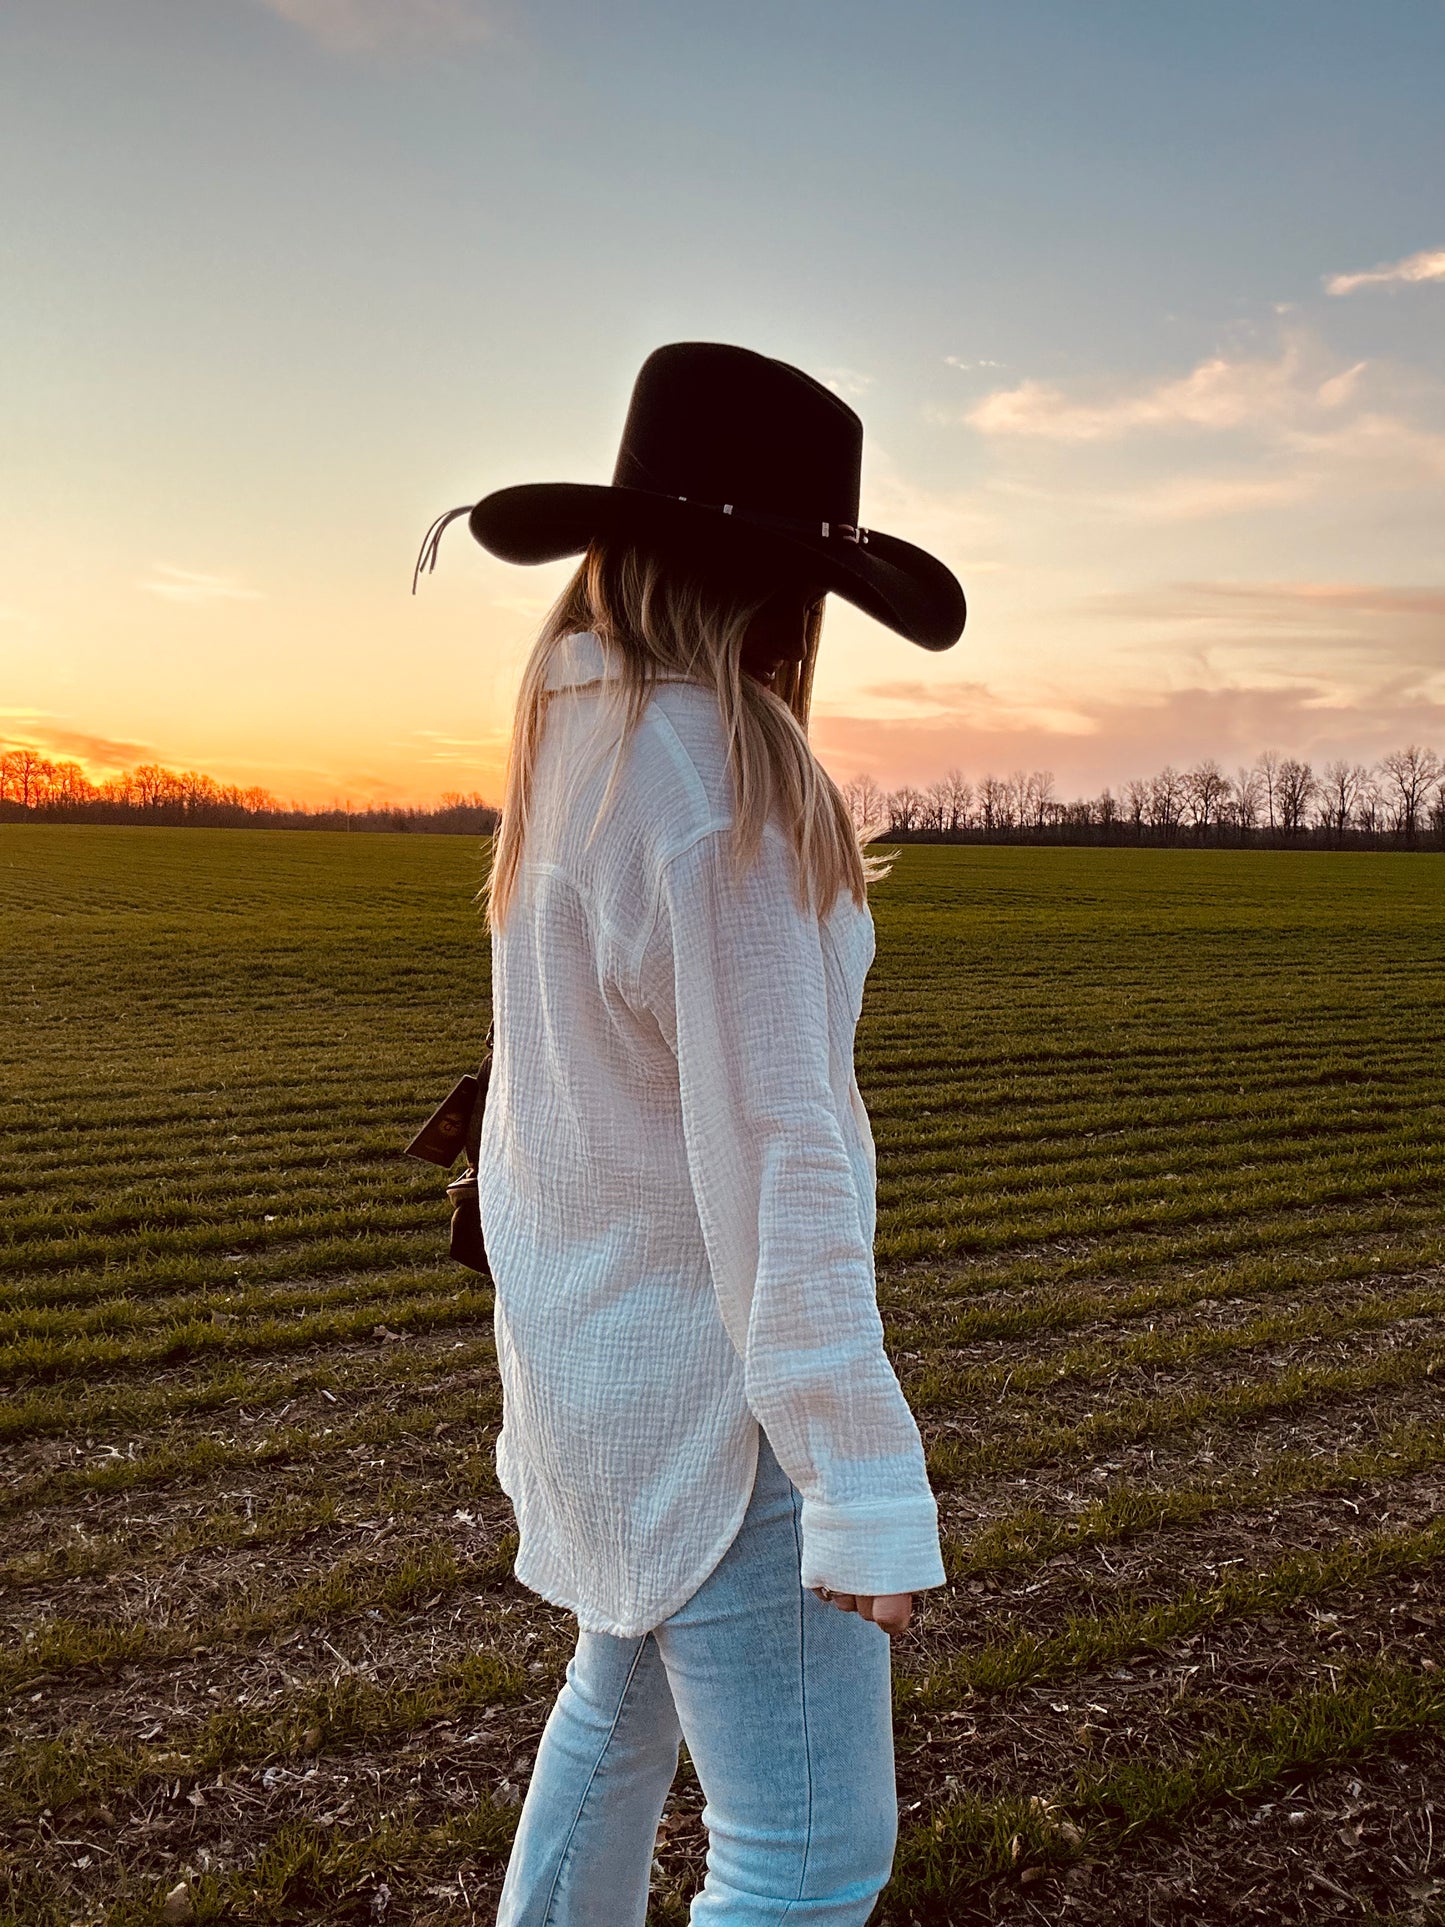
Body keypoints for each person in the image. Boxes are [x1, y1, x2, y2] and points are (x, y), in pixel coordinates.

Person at [415, 341, 967, 1926]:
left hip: (603, 1371)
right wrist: (854, 1471)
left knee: (615, 1709)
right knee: (803, 1860)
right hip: (727, 1414)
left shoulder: (574, 749)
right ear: (780, 593)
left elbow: (557, 1103)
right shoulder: (722, 782)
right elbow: (779, 1150)